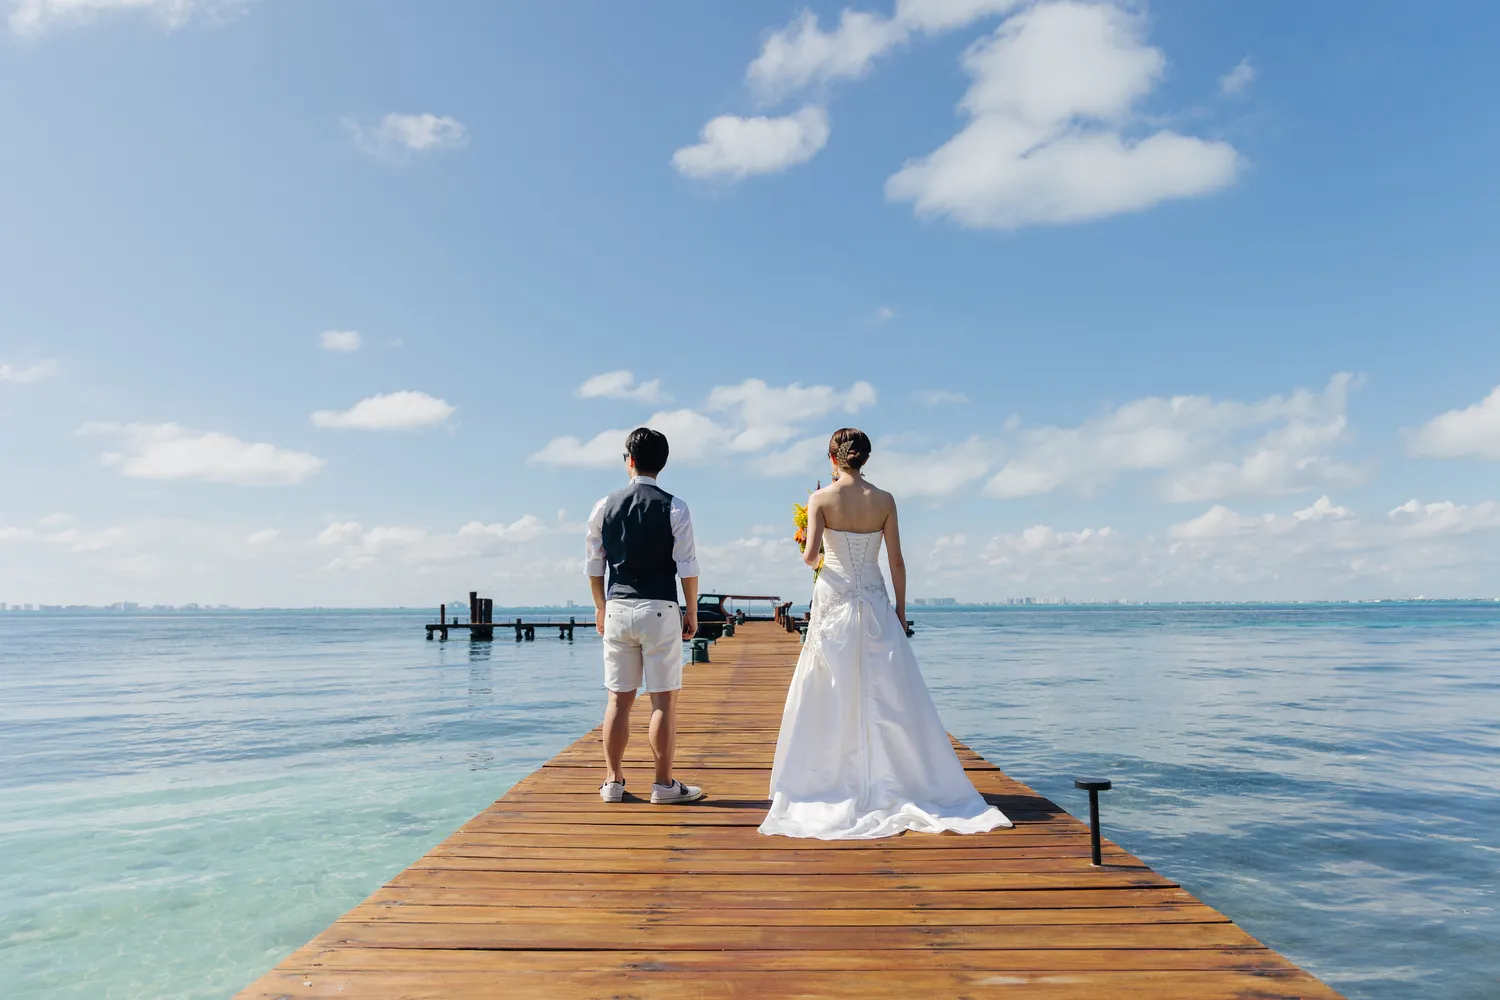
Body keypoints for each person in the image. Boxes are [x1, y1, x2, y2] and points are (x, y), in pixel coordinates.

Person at [759, 427, 1011, 839]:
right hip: (875, 597)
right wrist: (900, 609)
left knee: (829, 686)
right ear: (865, 458)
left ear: (832, 459)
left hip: (834, 596)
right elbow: (896, 562)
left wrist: (812, 542)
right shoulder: (885, 500)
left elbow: (810, 560)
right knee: (888, 689)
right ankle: (899, 776)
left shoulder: (821, 499)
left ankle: (825, 776)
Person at [585, 427, 705, 805]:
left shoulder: (603, 506)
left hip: (618, 607)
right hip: (660, 607)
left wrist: (600, 607)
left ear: (630, 460)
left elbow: (594, 565)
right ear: (662, 464)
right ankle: (663, 784)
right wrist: (692, 611)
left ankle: (613, 782)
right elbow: (687, 566)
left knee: (618, 700)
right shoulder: (676, 506)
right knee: (662, 701)